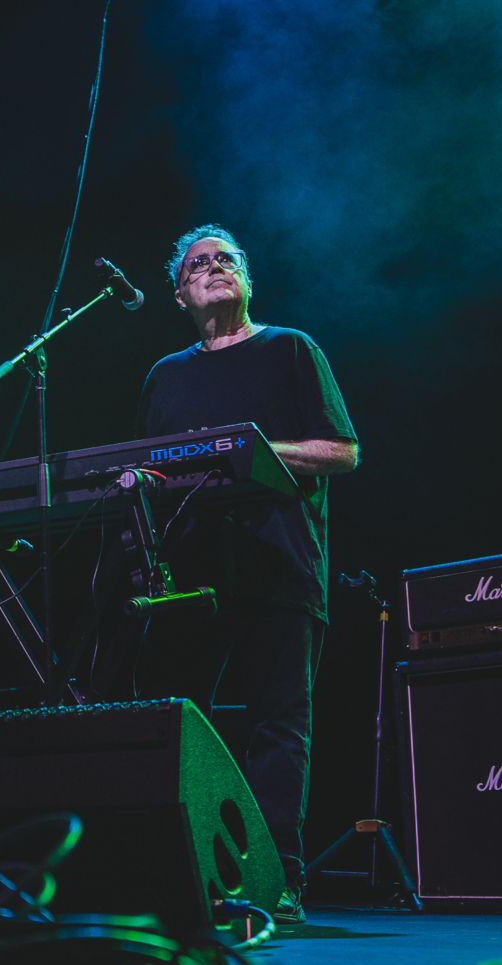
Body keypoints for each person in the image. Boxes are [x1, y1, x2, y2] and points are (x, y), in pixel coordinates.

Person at [134, 225, 358, 925]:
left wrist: (248, 453)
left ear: (247, 280)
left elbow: (342, 451)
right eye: (198, 264)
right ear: (179, 293)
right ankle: (179, 873)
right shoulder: (164, 376)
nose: (214, 269)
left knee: (277, 726)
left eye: (226, 259)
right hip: (191, 578)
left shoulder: (291, 348)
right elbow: (155, 466)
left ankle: (274, 884)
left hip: (280, 567)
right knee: (176, 724)